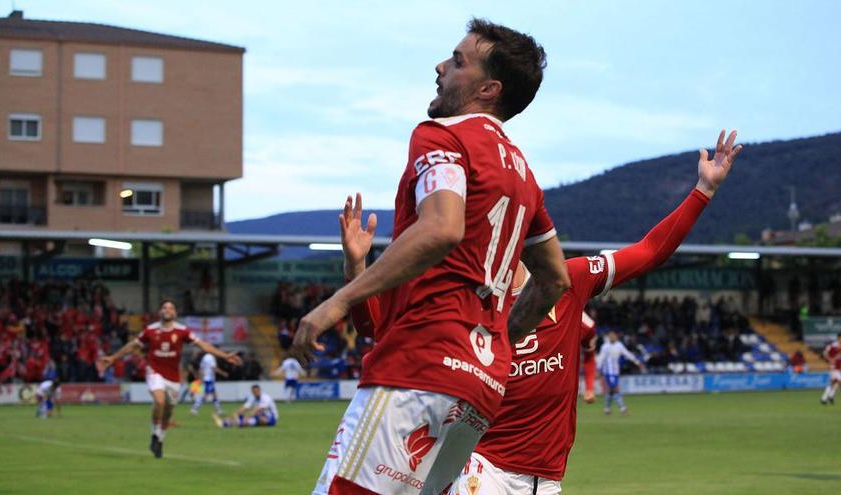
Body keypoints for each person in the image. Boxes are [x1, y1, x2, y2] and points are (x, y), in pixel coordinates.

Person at [305, 19, 571, 495]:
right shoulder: (525, 176)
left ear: (488, 88)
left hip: (420, 366)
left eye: (457, 61)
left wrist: (338, 301)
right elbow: (554, 280)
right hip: (479, 388)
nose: (441, 66)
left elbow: (442, 227)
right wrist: (495, 344)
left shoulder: (442, 135)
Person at [404, 130, 731, 494]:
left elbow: (650, 250)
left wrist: (704, 190)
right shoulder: (468, 303)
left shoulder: (568, 280)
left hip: (546, 479)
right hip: (483, 471)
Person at [97, 299, 242, 459]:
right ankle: (154, 434)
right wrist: (113, 358)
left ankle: (160, 439)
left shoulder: (182, 331)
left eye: (171, 308)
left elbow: (203, 345)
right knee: (159, 401)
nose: (167, 310)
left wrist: (225, 355)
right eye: (164, 307)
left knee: (168, 412)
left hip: (173, 377)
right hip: (154, 371)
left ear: (175, 313)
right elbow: (132, 345)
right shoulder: (150, 330)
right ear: (160, 312)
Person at [597, 330, 646, 415]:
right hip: (609, 372)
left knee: (611, 391)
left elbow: (627, 354)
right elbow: (600, 358)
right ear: (609, 337)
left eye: (614, 336)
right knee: (615, 389)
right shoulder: (605, 347)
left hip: (615, 371)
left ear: (616, 337)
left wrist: (637, 362)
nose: (612, 337)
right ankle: (623, 409)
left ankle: (607, 409)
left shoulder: (619, 345)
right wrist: (598, 369)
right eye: (610, 336)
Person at [212, 384, 279, 428]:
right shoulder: (252, 397)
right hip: (258, 416)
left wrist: (249, 416)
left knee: (256, 419)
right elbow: (245, 408)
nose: (254, 393)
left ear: (259, 390)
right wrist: (235, 413)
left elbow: (259, 409)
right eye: (253, 392)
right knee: (246, 420)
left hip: (271, 418)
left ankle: (228, 423)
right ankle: (224, 423)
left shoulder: (266, 397)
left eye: (256, 391)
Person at [190, 351, 228, 415]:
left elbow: (201, 369)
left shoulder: (204, 358)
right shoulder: (211, 357)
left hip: (206, 378)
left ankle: (219, 410)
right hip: (209, 379)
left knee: (214, 394)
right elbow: (214, 367)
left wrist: (201, 378)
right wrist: (223, 373)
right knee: (206, 395)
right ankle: (194, 409)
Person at [820, 332, 841, 405]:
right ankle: (826, 397)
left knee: (834, 382)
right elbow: (824, 353)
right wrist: (829, 359)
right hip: (834, 367)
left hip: (840, 367)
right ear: (839, 337)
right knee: (836, 381)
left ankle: (826, 397)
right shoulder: (832, 345)